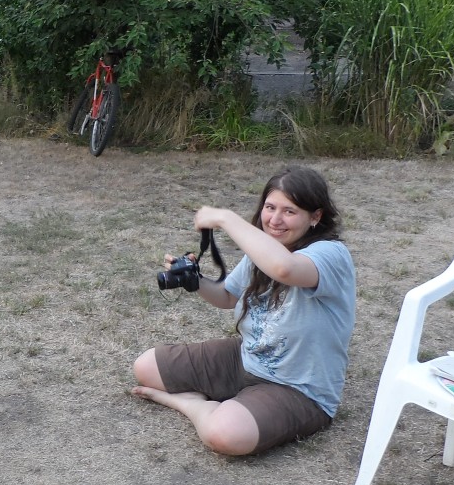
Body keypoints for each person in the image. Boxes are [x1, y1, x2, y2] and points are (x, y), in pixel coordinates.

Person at [131, 166, 355, 456]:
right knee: (146, 367)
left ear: (315, 216)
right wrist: (194, 280)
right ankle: (236, 403)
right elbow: (227, 296)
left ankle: (194, 404)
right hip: (248, 358)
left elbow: (285, 269)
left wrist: (225, 217)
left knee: (224, 434)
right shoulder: (265, 250)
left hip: (298, 388)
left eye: (289, 211)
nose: (275, 220)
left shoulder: (330, 253)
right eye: (270, 207)